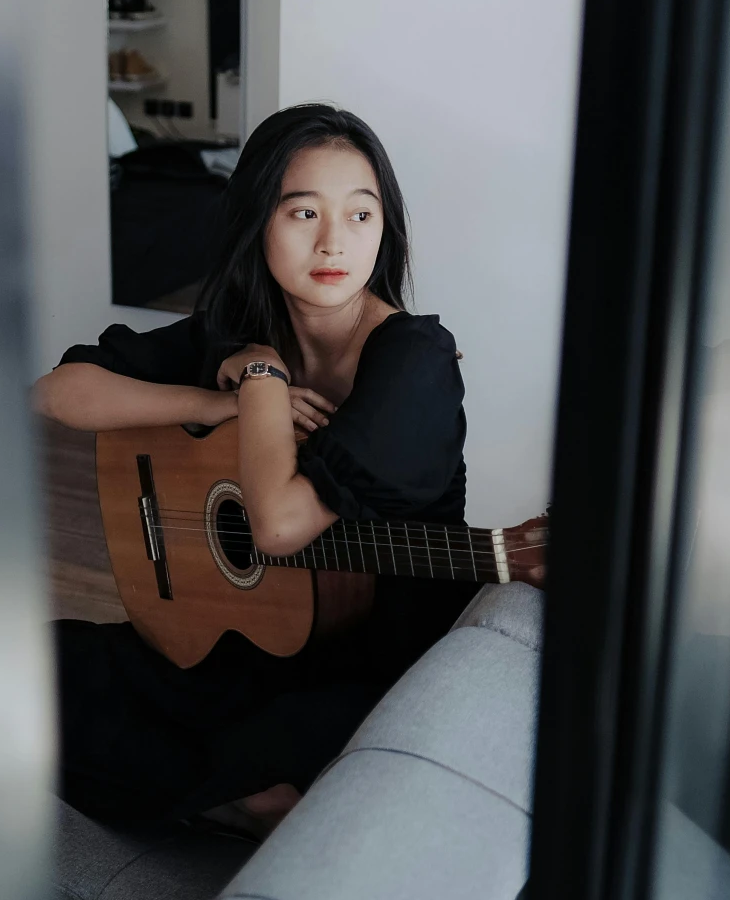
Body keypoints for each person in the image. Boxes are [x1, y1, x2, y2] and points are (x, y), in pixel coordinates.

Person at [34, 103, 477, 833]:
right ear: (256, 222)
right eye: (304, 211)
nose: (336, 240)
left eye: (361, 215)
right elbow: (57, 392)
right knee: (28, 670)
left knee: (280, 744)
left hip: (367, 667)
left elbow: (276, 524)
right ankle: (246, 798)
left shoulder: (415, 360)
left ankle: (252, 797)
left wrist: (263, 378)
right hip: (243, 638)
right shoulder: (241, 331)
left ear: (385, 230)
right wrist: (215, 401)